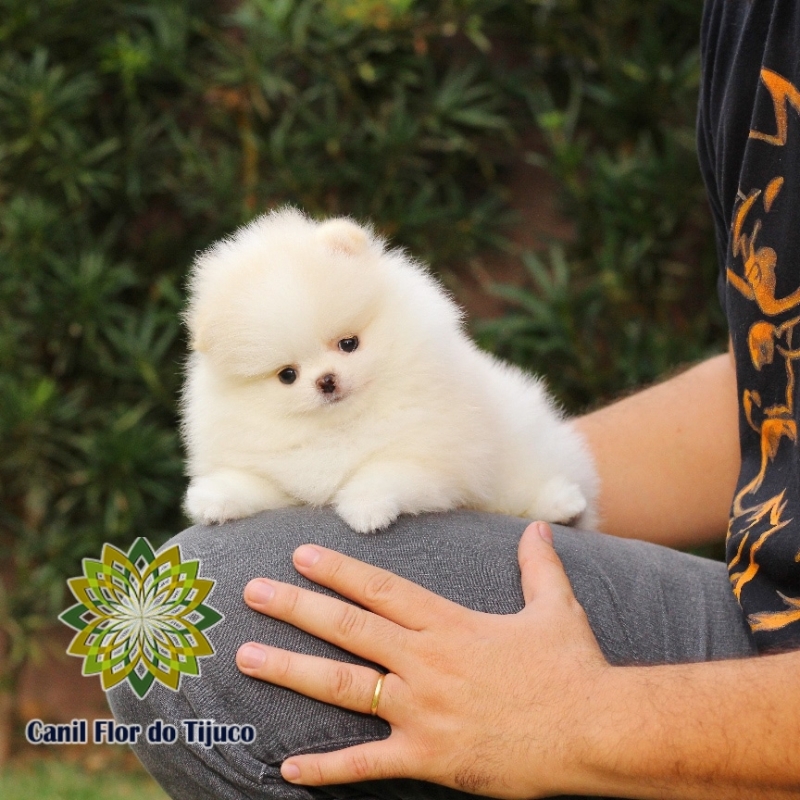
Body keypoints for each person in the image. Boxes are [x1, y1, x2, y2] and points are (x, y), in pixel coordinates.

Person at [108, 1, 800, 797]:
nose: (325, 375)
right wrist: (511, 470)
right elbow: (772, 376)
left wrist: (590, 720)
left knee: (213, 622)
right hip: (759, 613)